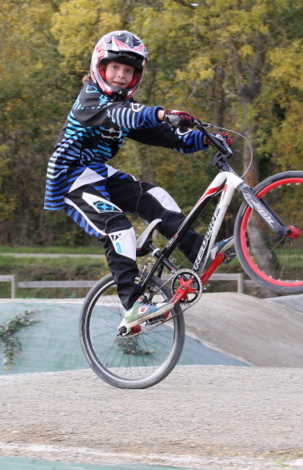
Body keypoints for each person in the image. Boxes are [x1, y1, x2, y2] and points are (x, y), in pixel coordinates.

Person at [44, 30, 234, 333]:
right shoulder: (90, 100)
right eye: (115, 68)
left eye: (128, 70)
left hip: (98, 173)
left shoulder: (125, 110)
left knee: (158, 196)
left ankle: (200, 251)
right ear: (100, 67)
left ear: (136, 76)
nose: (120, 75)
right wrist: (160, 112)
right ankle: (132, 306)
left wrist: (206, 138)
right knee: (118, 228)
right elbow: (128, 115)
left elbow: (164, 135)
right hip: (70, 181)